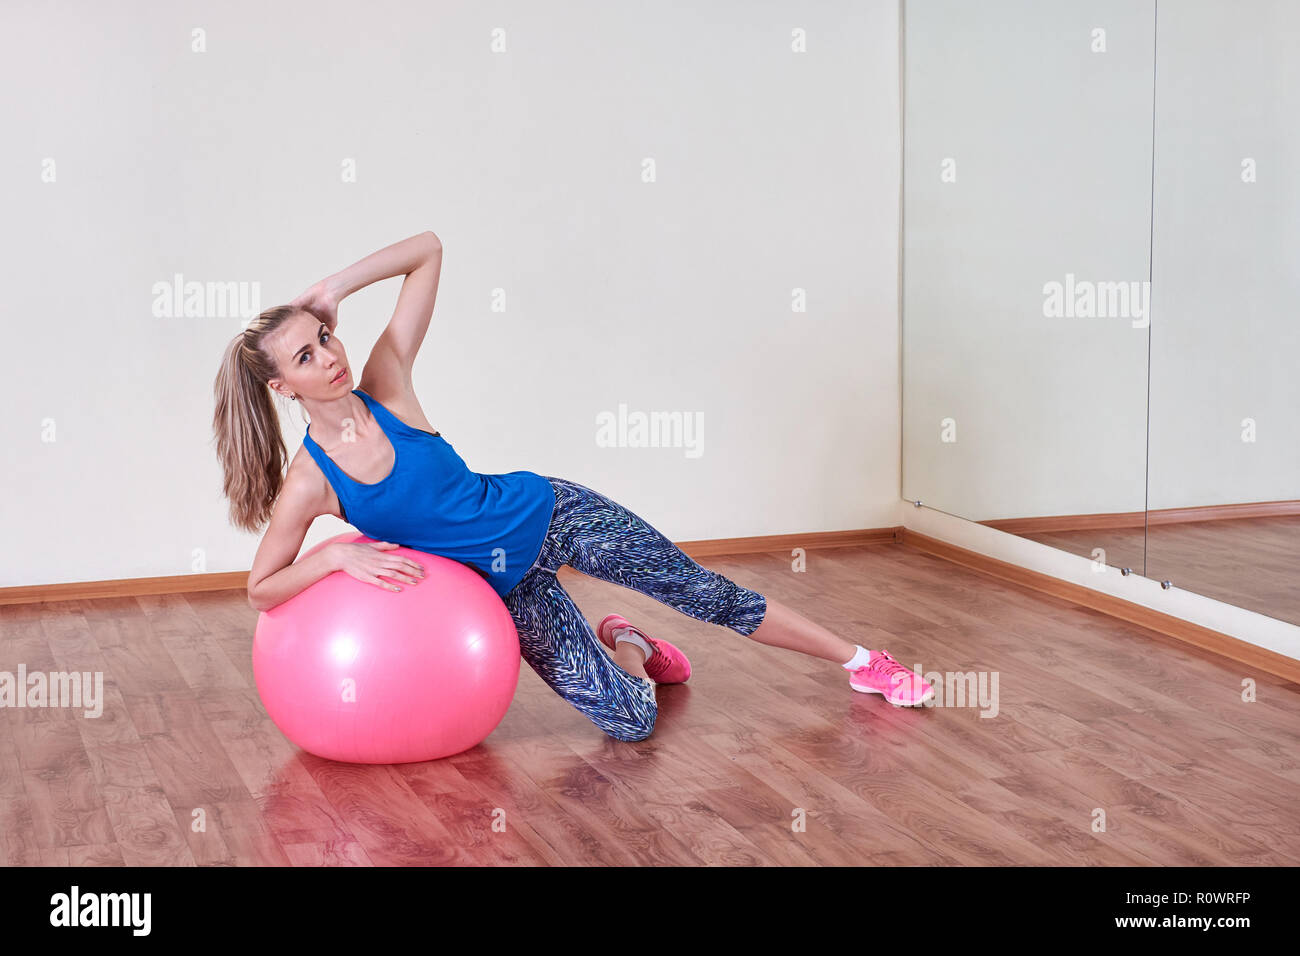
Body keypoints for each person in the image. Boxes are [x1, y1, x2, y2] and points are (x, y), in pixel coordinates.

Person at [212, 231, 934, 743]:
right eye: (307, 356)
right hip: (507, 590)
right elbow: (260, 588)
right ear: (283, 386)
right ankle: (629, 642)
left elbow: (428, 248)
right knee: (631, 722)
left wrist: (335, 286)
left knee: (706, 594)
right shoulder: (310, 482)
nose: (329, 357)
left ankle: (866, 664)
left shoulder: (388, 382)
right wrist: (336, 557)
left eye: (326, 336)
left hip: (551, 514)